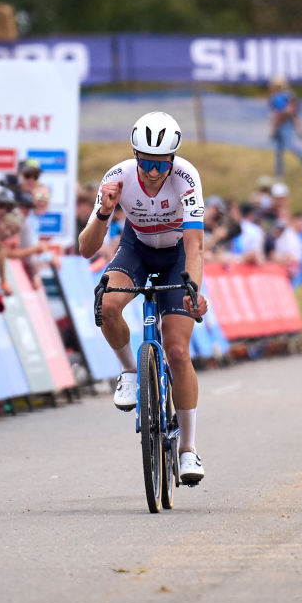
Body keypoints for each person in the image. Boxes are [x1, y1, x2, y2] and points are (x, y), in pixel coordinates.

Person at [77, 111, 209, 484]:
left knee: (179, 352)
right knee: (106, 303)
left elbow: (196, 246)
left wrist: (192, 290)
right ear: (135, 156)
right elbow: (87, 249)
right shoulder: (116, 177)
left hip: (177, 254)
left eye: (160, 164)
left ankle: (188, 449)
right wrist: (104, 211)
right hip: (137, 248)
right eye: (145, 163)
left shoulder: (186, 177)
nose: (152, 172)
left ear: (172, 159)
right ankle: (130, 372)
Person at [268, 76, 302, 178]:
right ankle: (279, 174)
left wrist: (299, 129)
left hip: (286, 124)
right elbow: (274, 115)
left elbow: (292, 112)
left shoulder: (288, 96)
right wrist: (273, 130)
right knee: (278, 151)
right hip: (278, 125)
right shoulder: (273, 98)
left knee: (290, 145)